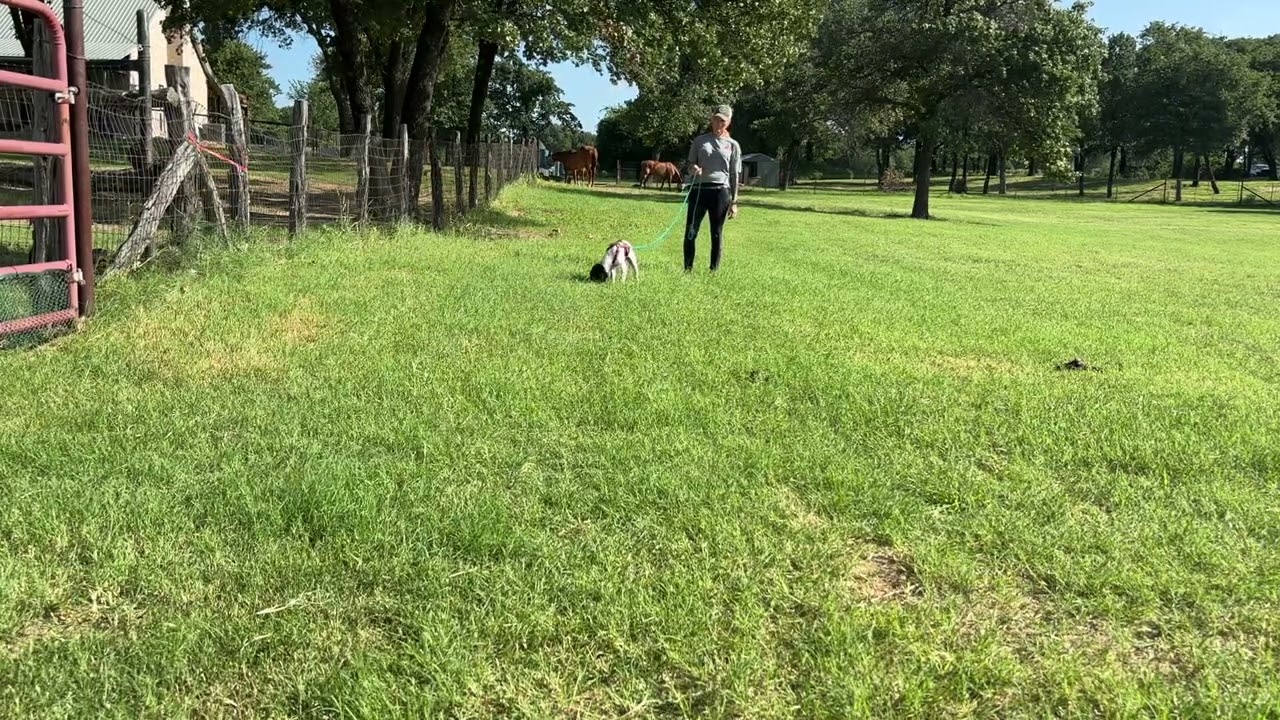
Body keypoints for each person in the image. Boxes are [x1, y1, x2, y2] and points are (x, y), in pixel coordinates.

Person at [683, 105, 742, 272]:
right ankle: (687, 269)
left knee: (716, 232)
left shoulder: (733, 145)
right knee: (691, 230)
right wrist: (693, 168)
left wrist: (734, 201)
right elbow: (689, 164)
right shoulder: (699, 141)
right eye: (716, 119)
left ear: (728, 122)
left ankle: (713, 270)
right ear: (711, 119)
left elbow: (734, 175)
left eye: (722, 120)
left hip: (720, 192)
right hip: (699, 190)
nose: (718, 123)